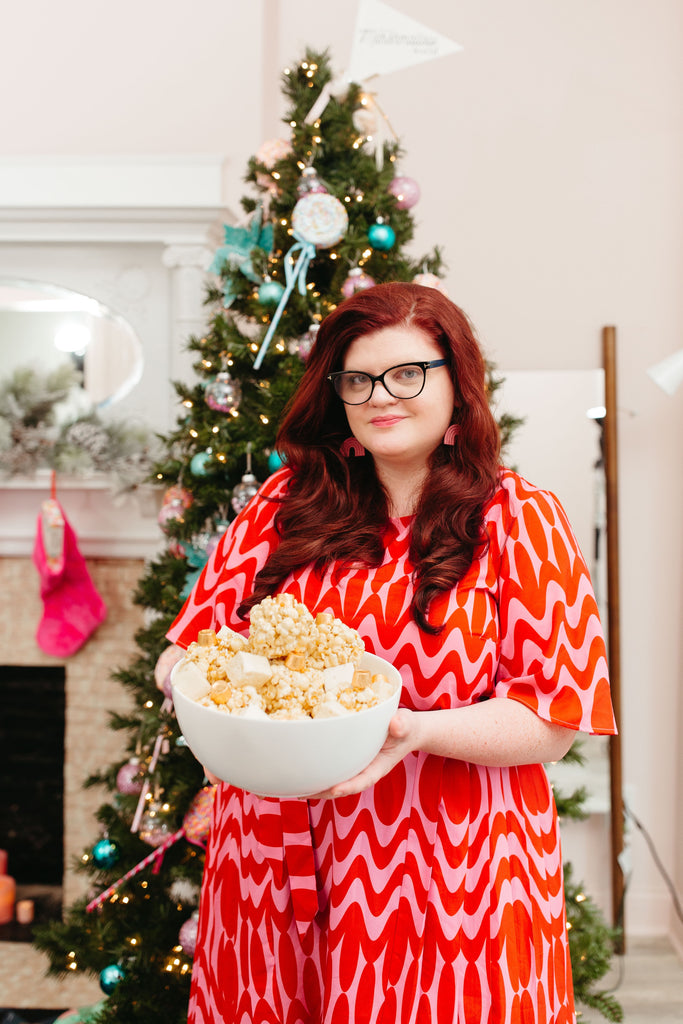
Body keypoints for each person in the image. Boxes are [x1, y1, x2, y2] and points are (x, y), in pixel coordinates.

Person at [167, 282, 616, 1024]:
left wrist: (416, 730)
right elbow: (187, 650)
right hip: (272, 875)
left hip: (454, 877)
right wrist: (202, 695)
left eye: (408, 373)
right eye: (357, 378)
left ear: (456, 386)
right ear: (336, 396)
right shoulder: (283, 506)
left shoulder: (519, 519)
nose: (383, 395)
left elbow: (553, 718)